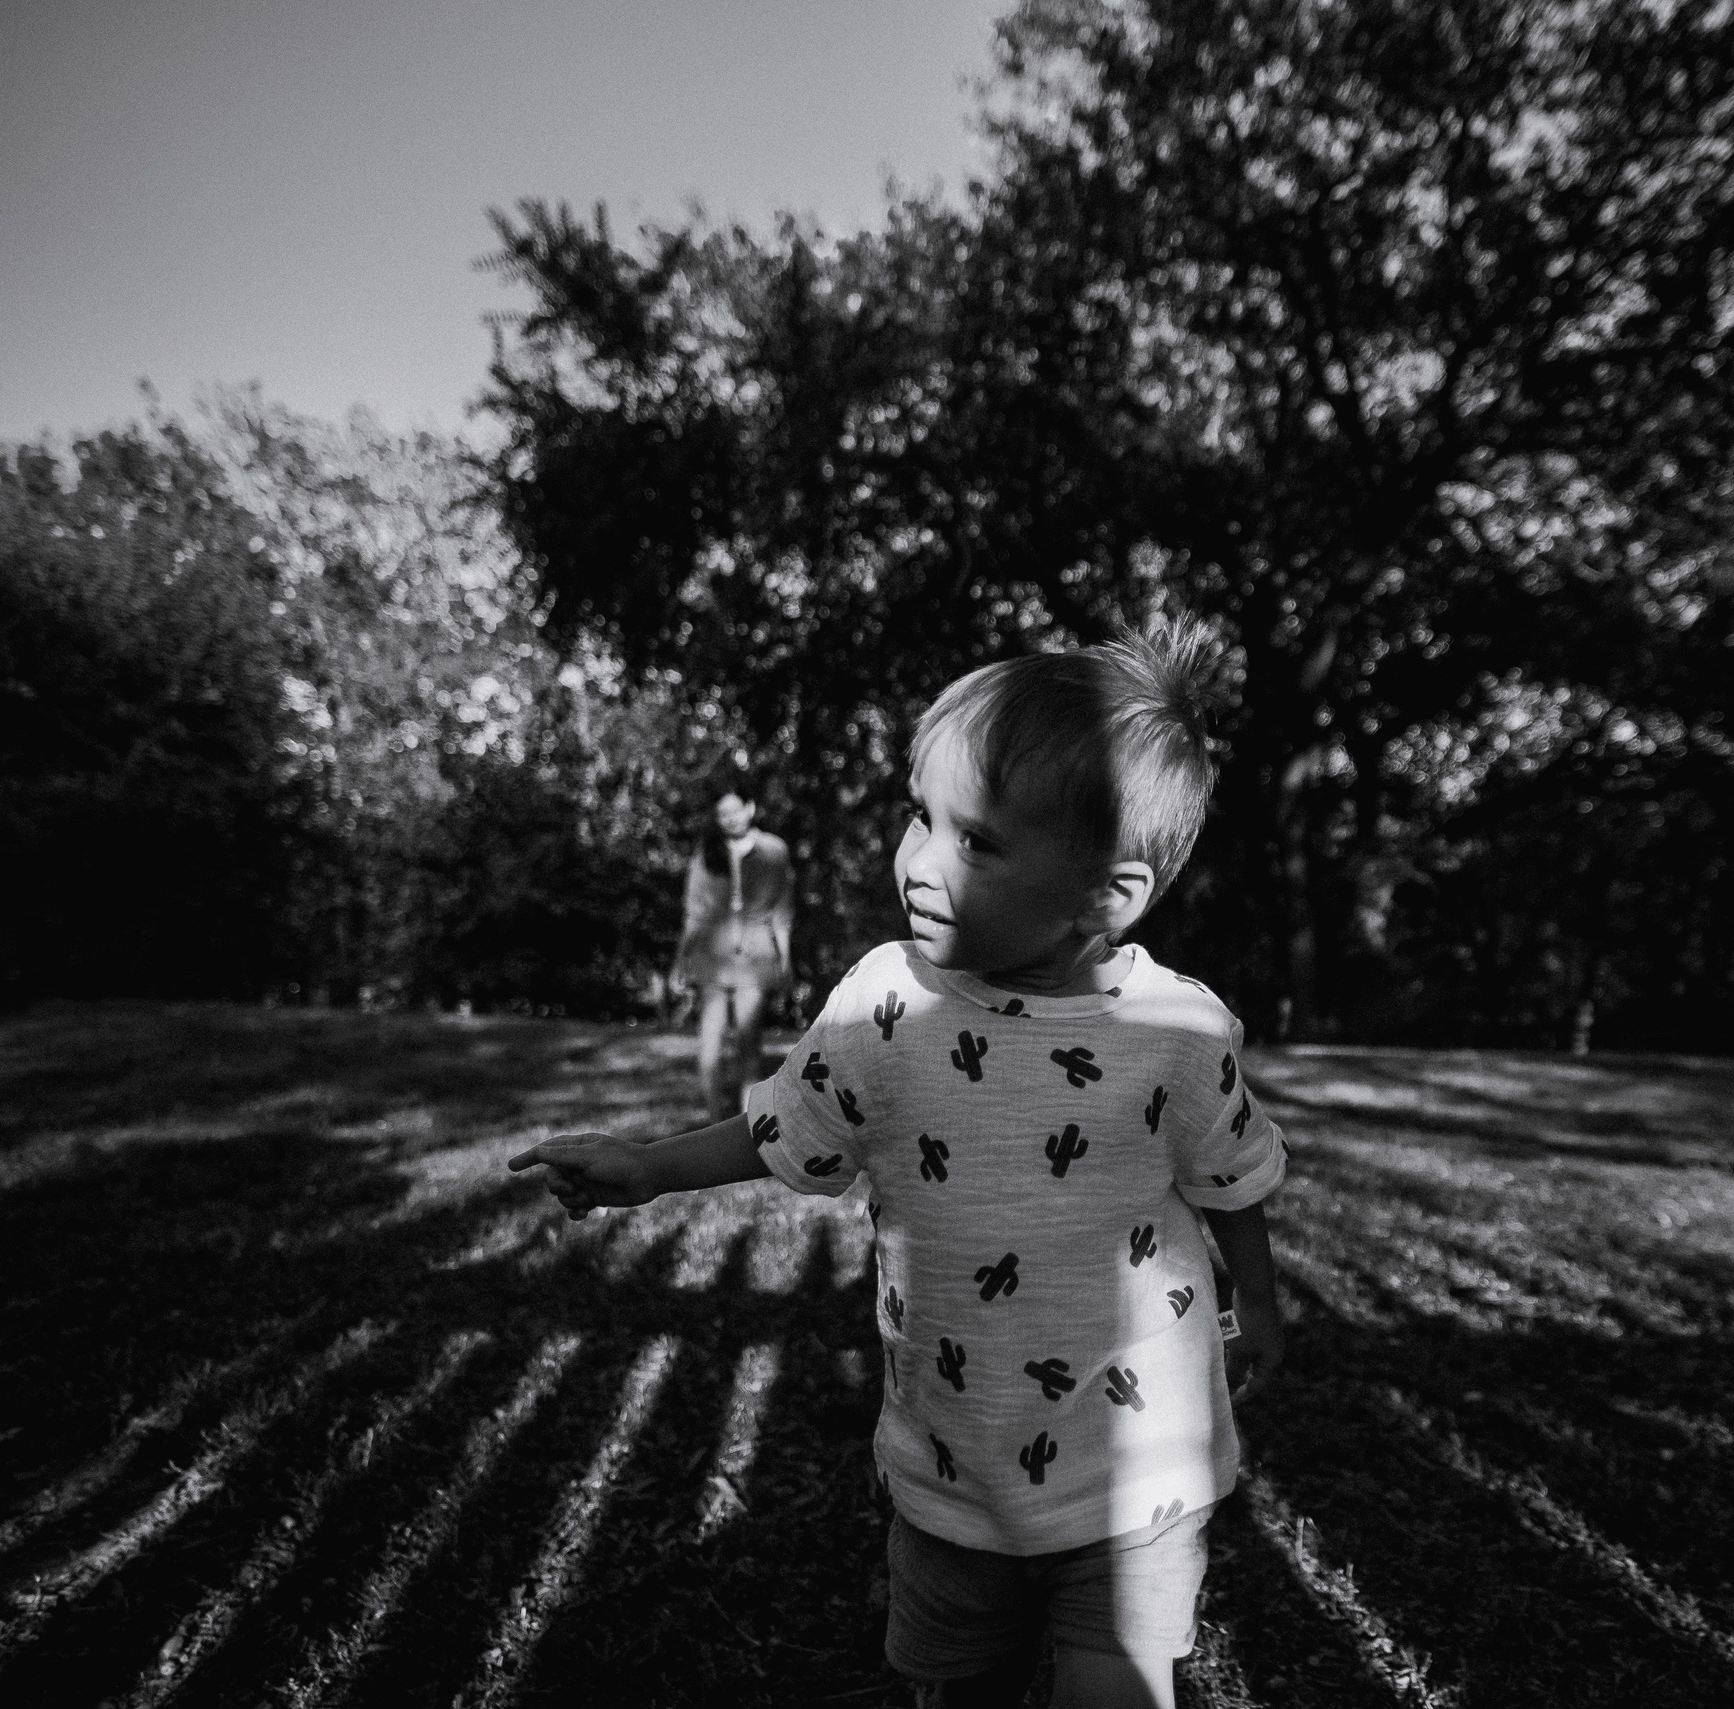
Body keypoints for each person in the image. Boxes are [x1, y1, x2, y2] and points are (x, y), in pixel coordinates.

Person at [509, 624, 1286, 1709]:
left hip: (1140, 1461)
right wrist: (650, 1164)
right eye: (921, 815)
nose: (918, 860)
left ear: (1107, 896)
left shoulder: (1176, 1028)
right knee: (957, 1684)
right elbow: (788, 1122)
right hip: (952, 1463)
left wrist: (1259, 1293)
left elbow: (1230, 1174)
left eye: (976, 841)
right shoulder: (886, 1002)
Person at [671, 774, 793, 1121]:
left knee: (748, 1044)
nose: (730, 819)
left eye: (735, 811)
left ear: (750, 808)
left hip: (755, 957)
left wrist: (785, 958)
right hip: (711, 954)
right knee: (709, 1042)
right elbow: (693, 912)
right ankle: (713, 1119)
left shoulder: (774, 851)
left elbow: (782, 913)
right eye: (722, 813)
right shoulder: (705, 854)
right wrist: (679, 961)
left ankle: (745, 1123)